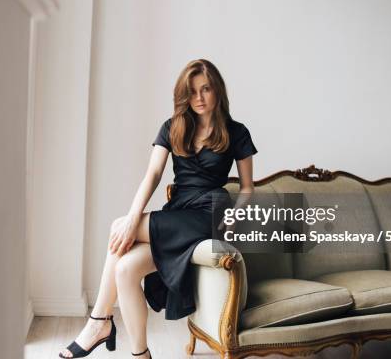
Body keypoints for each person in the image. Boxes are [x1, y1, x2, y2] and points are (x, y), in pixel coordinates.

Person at [59, 59, 257, 358]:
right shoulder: (173, 127)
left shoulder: (236, 131)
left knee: (118, 227)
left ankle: (98, 322)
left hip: (210, 213)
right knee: (125, 269)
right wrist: (133, 217)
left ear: (218, 91)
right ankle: (141, 354)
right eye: (192, 92)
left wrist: (234, 216)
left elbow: (247, 188)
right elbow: (152, 175)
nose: (200, 98)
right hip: (178, 211)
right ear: (184, 95)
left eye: (206, 89)